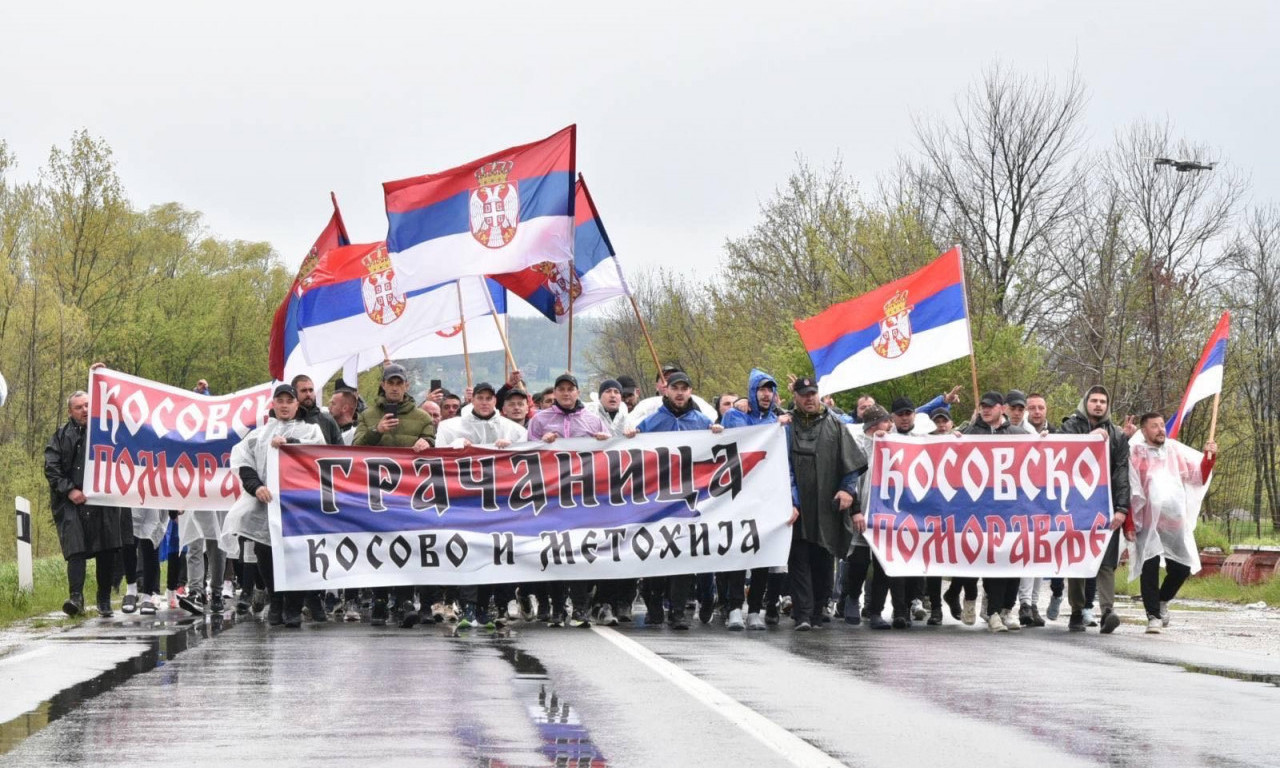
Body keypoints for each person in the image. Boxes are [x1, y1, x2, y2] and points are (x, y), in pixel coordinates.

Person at [221, 384, 325, 627]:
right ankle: (276, 600)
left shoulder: (311, 430)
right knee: (265, 554)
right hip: (266, 505)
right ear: (274, 404)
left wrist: (289, 442)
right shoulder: (257, 435)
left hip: (299, 505)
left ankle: (294, 606)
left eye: (290, 401)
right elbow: (243, 464)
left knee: (297, 554)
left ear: (296, 404)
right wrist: (256, 487)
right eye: (281, 401)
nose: (285, 405)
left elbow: (318, 453)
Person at [630, 372, 725, 630]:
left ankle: (678, 611)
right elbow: (632, 448)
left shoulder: (701, 420)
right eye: (675, 388)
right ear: (666, 391)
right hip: (656, 498)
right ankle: (653, 607)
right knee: (656, 553)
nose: (680, 393)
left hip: (688, 499)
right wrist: (630, 436)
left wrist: (716, 433)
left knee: (682, 555)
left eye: (684, 388)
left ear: (691, 391)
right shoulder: (653, 421)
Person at [354, 363, 438, 628]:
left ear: (406, 387)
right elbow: (355, 449)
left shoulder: (423, 418)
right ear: (383, 385)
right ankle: (379, 600)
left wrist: (428, 444)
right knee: (379, 546)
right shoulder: (367, 415)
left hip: (409, 496)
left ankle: (403, 600)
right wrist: (377, 430)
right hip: (376, 494)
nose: (394, 387)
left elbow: (434, 451)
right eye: (390, 383)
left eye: (399, 383)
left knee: (407, 546)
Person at [527, 373, 610, 627]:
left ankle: (581, 607)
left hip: (583, 495)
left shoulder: (593, 420)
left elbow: (612, 450)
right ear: (555, 392)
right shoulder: (540, 419)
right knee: (554, 552)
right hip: (551, 496)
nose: (565, 393)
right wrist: (542, 443)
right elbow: (526, 452)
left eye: (570, 389)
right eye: (561, 389)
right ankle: (557, 605)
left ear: (577, 392)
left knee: (579, 551)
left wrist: (604, 441)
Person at [785, 376, 864, 631]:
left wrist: (847, 491)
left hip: (826, 504)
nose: (809, 398)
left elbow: (851, 464)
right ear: (795, 397)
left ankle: (819, 610)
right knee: (798, 560)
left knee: (822, 559)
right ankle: (803, 614)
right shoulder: (785, 425)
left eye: (813, 393)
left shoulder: (836, 425)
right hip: (796, 505)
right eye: (804, 394)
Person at [1128, 413, 1216, 634]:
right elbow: (1130, 488)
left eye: (1161, 425)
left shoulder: (1174, 451)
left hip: (1173, 521)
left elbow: (1197, 477)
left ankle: (1162, 600)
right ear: (1144, 431)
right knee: (1149, 566)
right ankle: (1153, 616)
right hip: (1147, 522)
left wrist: (1209, 458)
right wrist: (1130, 521)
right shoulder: (1136, 454)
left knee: (1181, 567)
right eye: (1154, 426)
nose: (1160, 430)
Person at [720, 369, 790, 630]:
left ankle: (755, 611)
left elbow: (788, 464)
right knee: (739, 552)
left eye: (770, 389)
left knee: (762, 555)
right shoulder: (734, 417)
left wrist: (792, 501)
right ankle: (735, 607)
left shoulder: (780, 423)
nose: (766, 394)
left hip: (767, 499)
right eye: (761, 389)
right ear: (752, 391)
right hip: (738, 496)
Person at [44, 390, 125, 617]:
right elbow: (52, 468)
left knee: (106, 548)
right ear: (70, 411)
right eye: (79, 407)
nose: (85, 411)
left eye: (88, 405)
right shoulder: (60, 436)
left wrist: (102, 374)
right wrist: (69, 490)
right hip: (71, 501)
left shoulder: (107, 431)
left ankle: (104, 598)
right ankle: (76, 598)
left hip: (102, 499)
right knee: (76, 549)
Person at [1060, 385, 1131, 634]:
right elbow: (1061, 455)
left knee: (1106, 562)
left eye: (1103, 401)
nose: (1098, 405)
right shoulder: (1070, 427)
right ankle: (1077, 610)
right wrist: (1091, 439)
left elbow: (1122, 473)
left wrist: (1122, 509)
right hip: (1076, 506)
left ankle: (1107, 611)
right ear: (1085, 403)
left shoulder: (1118, 436)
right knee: (1078, 559)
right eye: (1094, 400)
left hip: (1106, 506)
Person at [959, 391, 1022, 633]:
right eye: (982, 406)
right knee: (974, 558)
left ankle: (1001, 610)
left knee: (1008, 560)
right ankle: (978, 602)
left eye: (990, 406)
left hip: (1008, 508)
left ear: (1002, 408)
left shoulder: (1017, 434)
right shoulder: (971, 432)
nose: (985, 410)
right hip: (977, 507)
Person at [844, 405, 897, 629]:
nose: (889, 426)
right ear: (875, 425)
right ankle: (852, 598)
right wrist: (855, 510)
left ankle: (876, 610)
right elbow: (851, 479)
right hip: (862, 511)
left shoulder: (894, 443)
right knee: (859, 561)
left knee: (883, 564)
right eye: (885, 422)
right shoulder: (858, 445)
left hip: (887, 514)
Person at [292, 375, 342, 446]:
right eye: (304, 391)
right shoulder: (289, 421)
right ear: (294, 393)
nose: (308, 394)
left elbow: (341, 451)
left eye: (311, 390)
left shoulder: (327, 420)